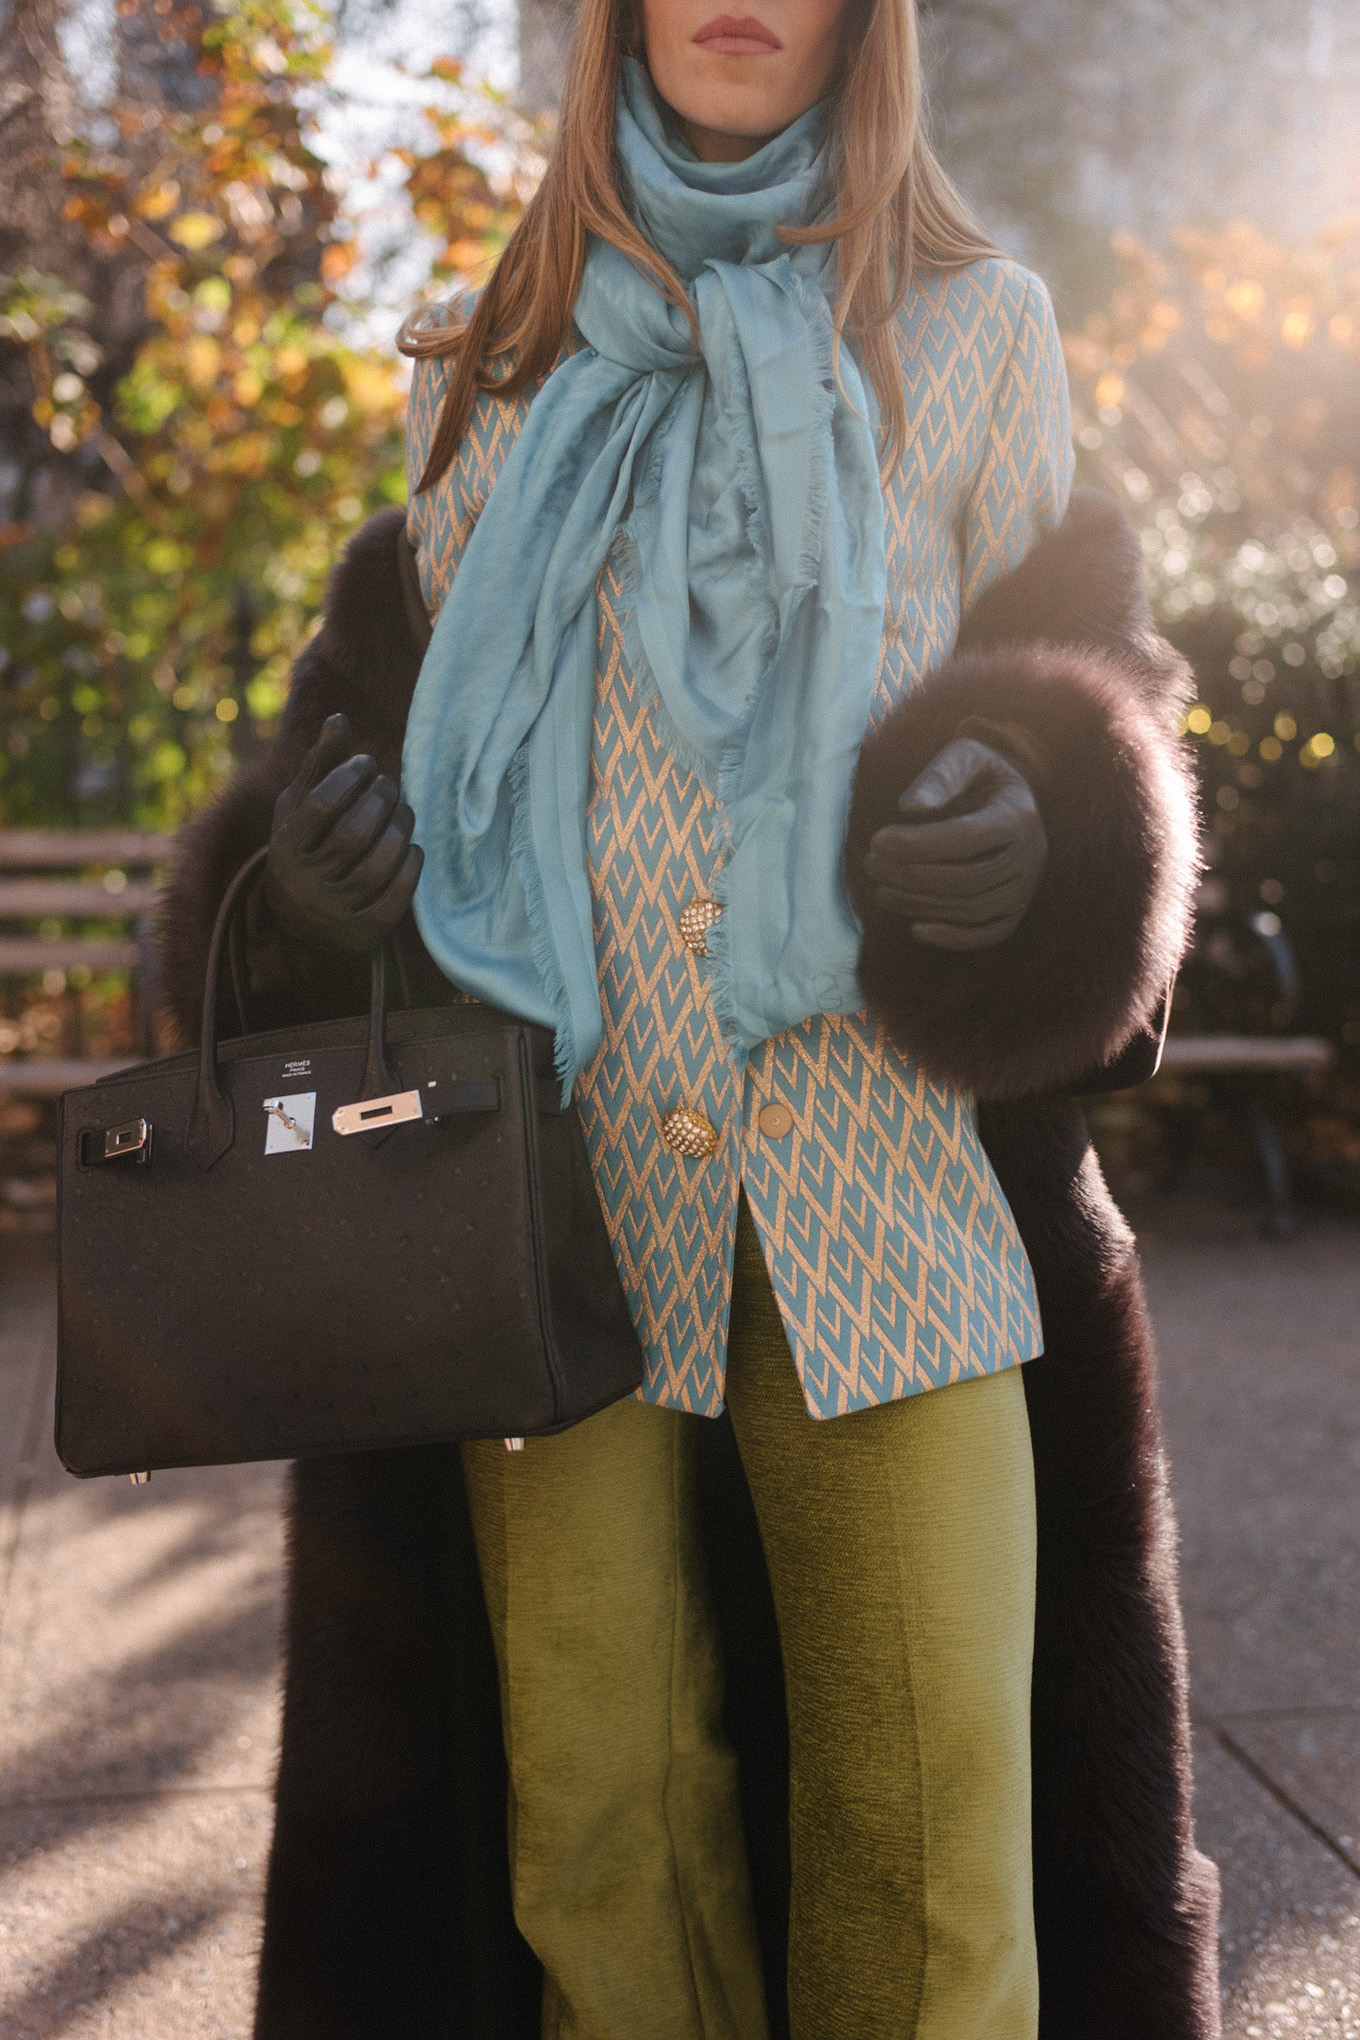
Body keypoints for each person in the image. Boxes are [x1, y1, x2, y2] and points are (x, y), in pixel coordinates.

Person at [160, 0, 1222, 2032]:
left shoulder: (975, 331)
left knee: (936, 1859)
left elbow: (1082, 685)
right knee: (588, 1845)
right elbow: (391, 723)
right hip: (541, 1225)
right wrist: (313, 896)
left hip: (885, 1197)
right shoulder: (488, 359)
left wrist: (1047, 824)